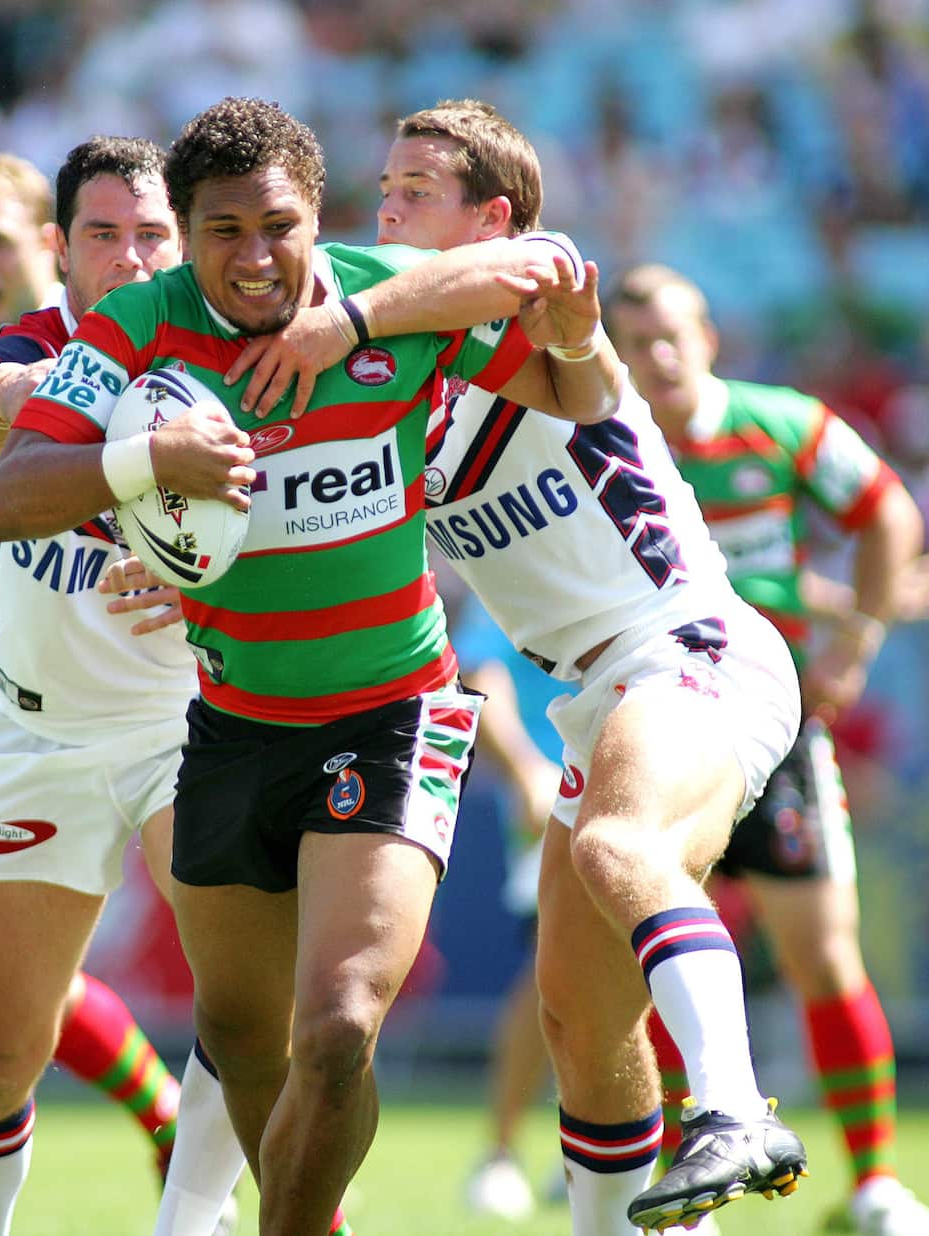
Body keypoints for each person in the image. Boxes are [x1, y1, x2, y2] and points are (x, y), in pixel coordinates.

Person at [0, 94, 621, 1236]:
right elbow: (7, 498)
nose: (256, 257)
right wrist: (146, 458)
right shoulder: (134, 329)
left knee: (335, 1029)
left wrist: (566, 331)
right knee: (243, 1039)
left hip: (392, 711)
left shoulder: (394, 301)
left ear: (316, 218)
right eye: (222, 231)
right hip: (226, 725)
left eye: (278, 226)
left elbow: (577, 385)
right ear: (185, 230)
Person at [213, 97, 809, 1234]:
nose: (384, 207)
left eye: (415, 191)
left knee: (616, 847)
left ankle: (733, 1109)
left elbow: (527, 271)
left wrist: (344, 322)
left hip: (690, 643)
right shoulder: (404, 378)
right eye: (381, 188)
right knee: (581, 1030)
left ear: (488, 215)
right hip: (593, 695)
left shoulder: (535, 295)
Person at [0, 137, 252, 1236]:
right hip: (35, 738)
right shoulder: (42, 345)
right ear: (60, 249)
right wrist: (15, 392)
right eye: (102, 234)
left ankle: (210, 1220)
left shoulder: (239, 351)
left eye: (151, 233)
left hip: (190, 726)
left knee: (254, 1015)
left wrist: (208, 591)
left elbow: (298, 529)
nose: (128, 256)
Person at [606, 262, 929, 1236]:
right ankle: (681, 1180)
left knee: (822, 956)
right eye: (635, 343)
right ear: (614, 358)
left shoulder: (782, 424)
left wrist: (852, 642)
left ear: (707, 336)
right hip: (652, 726)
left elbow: (885, 514)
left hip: (771, 724)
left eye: (671, 334)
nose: (657, 356)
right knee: (647, 970)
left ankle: (873, 1181)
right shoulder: (604, 445)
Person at [451, 595, 565, 1222]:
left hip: (644, 782)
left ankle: (607, 1144)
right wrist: (526, 772)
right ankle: (499, 1154)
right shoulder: (512, 549)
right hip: (555, 792)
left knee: (640, 975)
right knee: (554, 976)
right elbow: (479, 669)